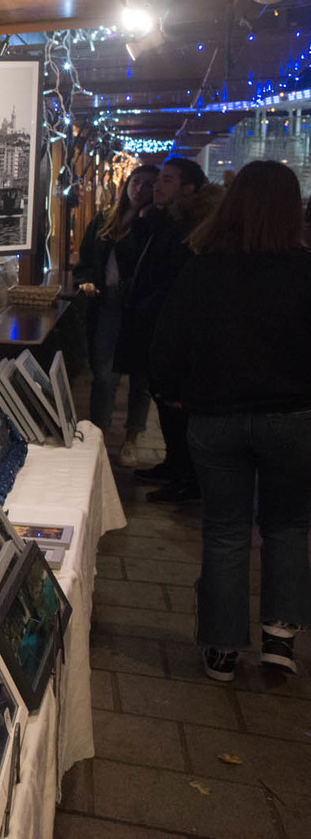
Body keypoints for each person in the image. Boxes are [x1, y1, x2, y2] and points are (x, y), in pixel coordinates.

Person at [150, 159, 311, 681]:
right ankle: (280, 641)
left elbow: (171, 338)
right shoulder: (305, 269)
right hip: (293, 418)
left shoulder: (204, 264)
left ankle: (221, 646)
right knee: (287, 527)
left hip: (216, 418)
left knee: (225, 531)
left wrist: (170, 393)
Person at [115, 156, 223, 502]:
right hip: (156, 322)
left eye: (168, 180)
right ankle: (174, 465)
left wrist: (148, 307)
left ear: (189, 188)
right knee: (163, 397)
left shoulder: (190, 224)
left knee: (175, 401)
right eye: (159, 179)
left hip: (170, 325)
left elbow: (173, 280)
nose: (158, 185)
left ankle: (187, 477)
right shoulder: (164, 219)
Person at [74, 164, 158, 464]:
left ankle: (132, 438)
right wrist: (84, 281)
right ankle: (98, 434)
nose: (141, 189)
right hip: (105, 303)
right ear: (127, 184)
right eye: (136, 182)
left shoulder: (155, 225)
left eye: (150, 184)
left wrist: (142, 224)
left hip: (141, 310)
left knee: (140, 377)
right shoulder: (104, 219)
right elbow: (84, 261)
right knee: (103, 374)